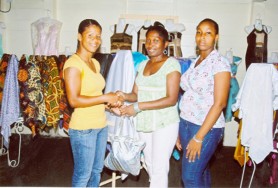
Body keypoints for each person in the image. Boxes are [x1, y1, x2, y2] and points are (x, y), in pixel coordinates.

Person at [117, 23, 181, 188]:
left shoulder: (172, 64)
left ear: (165, 44)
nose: (151, 44)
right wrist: (123, 95)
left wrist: (137, 107)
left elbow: (171, 99)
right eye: (148, 40)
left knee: (159, 167)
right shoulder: (142, 65)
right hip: (144, 123)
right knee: (150, 163)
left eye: (156, 40)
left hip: (164, 123)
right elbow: (135, 95)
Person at [63, 19, 122, 187]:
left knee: (96, 172)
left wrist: (110, 106)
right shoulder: (73, 64)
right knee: (83, 175)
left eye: (98, 36)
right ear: (79, 36)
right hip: (83, 129)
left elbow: (92, 95)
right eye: (90, 35)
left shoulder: (95, 63)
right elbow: (74, 100)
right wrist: (105, 98)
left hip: (100, 126)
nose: (95, 40)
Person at [176, 18, 231, 188]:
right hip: (187, 123)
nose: (202, 37)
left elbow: (220, 103)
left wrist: (199, 137)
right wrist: (180, 129)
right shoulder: (196, 62)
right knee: (202, 171)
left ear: (216, 37)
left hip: (205, 128)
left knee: (190, 177)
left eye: (208, 33)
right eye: (199, 32)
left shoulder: (220, 63)